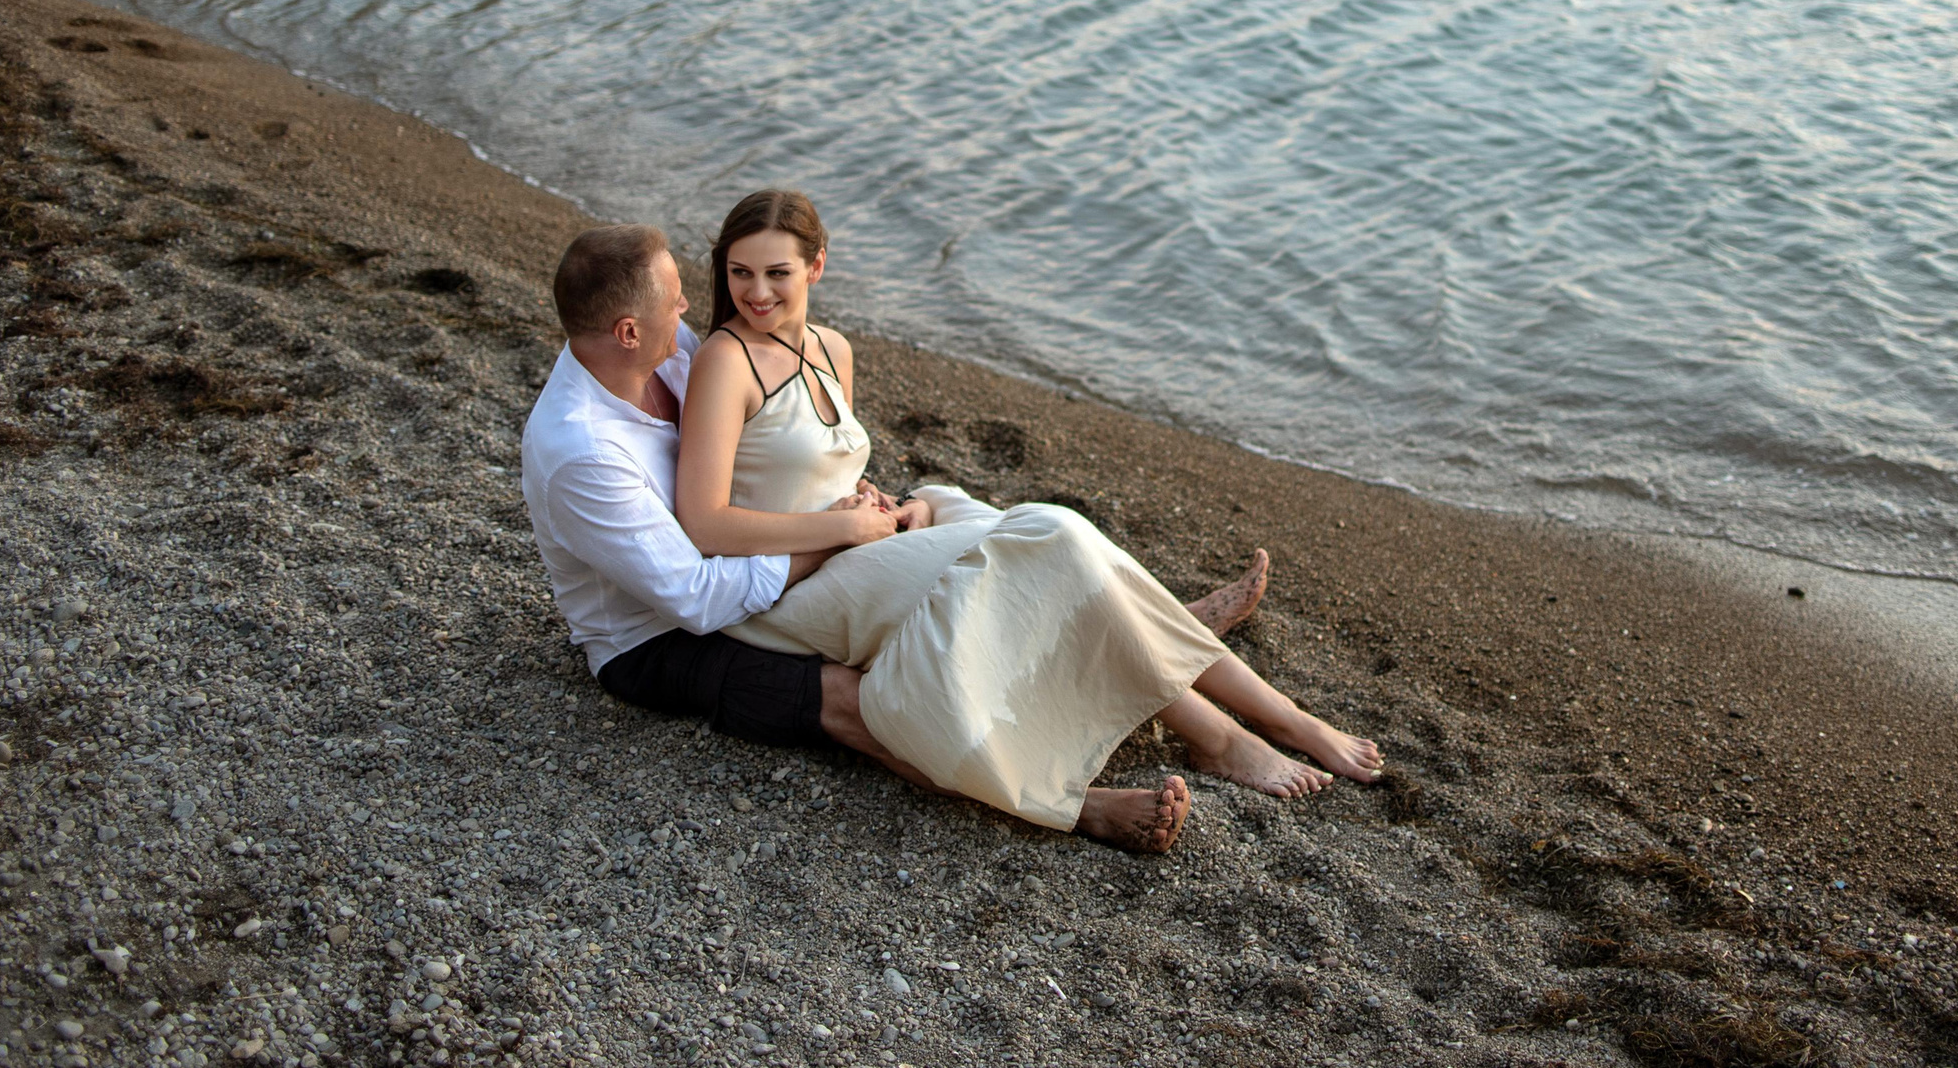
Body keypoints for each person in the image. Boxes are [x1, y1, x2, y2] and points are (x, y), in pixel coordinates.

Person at [672, 188, 1381, 853]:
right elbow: (704, 523)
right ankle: (1223, 734)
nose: (757, 292)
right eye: (740, 273)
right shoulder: (725, 361)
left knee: (991, 517)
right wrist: (842, 529)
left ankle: (1269, 708)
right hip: (788, 585)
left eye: (777, 273)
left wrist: (888, 506)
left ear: (817, 266)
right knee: (1056, 535)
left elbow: (825, 466)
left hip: (859, 536)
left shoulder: (832, 348)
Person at [518, 222, 1279, 816]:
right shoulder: (583, 452)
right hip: (657, 641)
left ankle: (1145, 620)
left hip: (766, 551)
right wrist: (839, 534)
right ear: (626, 331)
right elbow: (693, 596)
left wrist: (843, 497)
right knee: (859, 696)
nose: (689, 309)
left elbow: (754, 448)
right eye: (673, 300)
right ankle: (1075, 805)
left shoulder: (662, 352)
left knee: (975, 521)